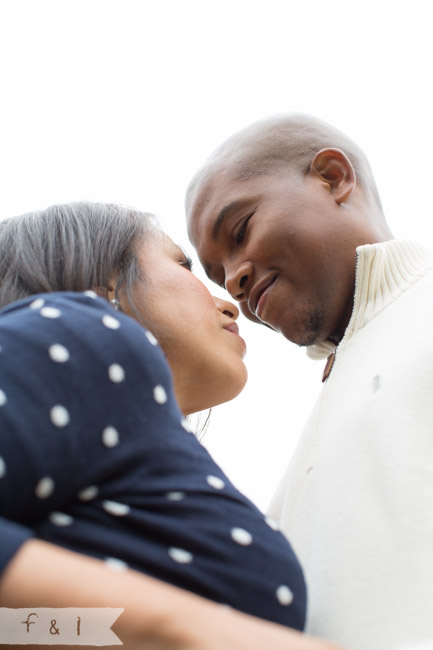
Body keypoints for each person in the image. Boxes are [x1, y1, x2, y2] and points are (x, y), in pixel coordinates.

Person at [0, 201, 308, 643]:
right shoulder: (79, 334)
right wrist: (187, 629)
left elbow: (26, 628)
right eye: (183, 265)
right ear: (104, 281)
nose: (230, 305)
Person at [186, 113, 433, 650]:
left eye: (240, 230)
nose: (232, 280)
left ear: (333, 178)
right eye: (216, 272)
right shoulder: (304, 453)